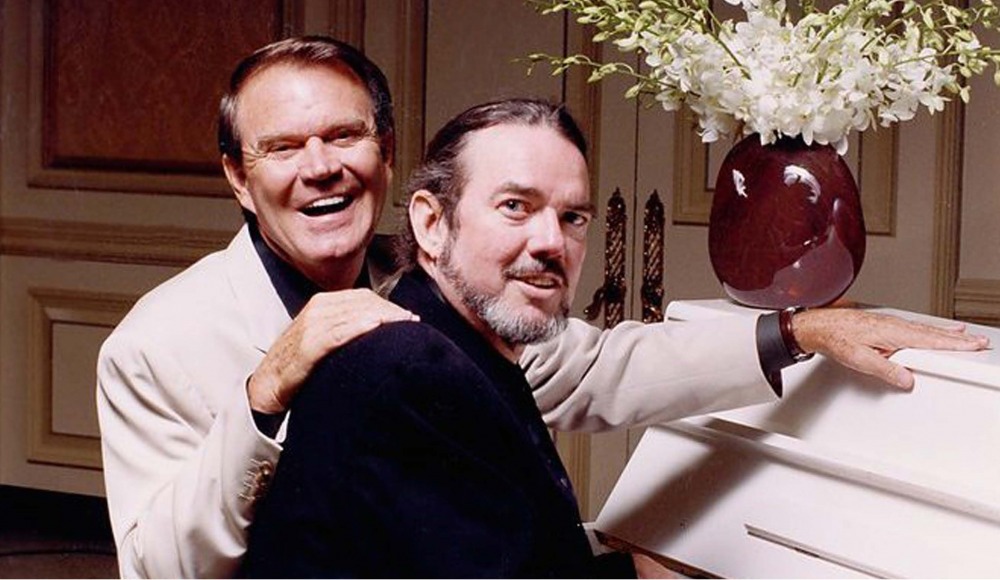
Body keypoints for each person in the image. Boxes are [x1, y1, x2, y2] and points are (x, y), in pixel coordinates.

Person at [95, 36, 988, 579]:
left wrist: (802, 328)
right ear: (237, 177)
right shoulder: (159, 340)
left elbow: (600, 366)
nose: (321, 165)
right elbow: (162, 571)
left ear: (388, 155)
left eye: (345, 135)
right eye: (283, 146)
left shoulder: (432, 288)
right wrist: (266, 392)